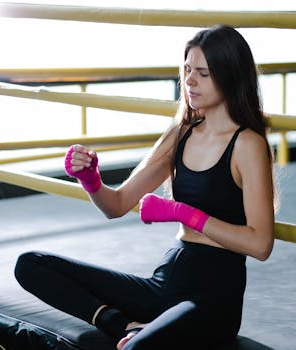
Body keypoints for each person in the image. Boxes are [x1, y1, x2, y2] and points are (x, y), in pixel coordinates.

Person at [14, 24, 276, 350]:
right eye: (187, 70)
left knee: (137, 348)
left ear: (230, 76)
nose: (190, 81)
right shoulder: (180, 133)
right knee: (30, 264)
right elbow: (117, 204)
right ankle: (121, 324)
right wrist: (91, 180)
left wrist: (183, 213)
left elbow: (261, 243)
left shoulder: (247, 144)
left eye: (203, 73)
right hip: (164, 284)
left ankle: (138, 333)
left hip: (212, 301)